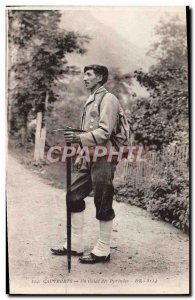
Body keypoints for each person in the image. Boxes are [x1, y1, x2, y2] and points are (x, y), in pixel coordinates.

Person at [51, 64, 121, 264]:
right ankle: (75, 244)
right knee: (73, 195)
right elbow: (87, 132)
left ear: (99, 77)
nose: (84, 78)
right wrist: (80, 146)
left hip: (104, 156)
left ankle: (103, 249)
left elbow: (105, 132)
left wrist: (78, 138)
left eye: (89, 75)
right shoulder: (91, 99)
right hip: (89, 155)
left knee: (102, 198)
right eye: (84, 75)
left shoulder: (108, 99)